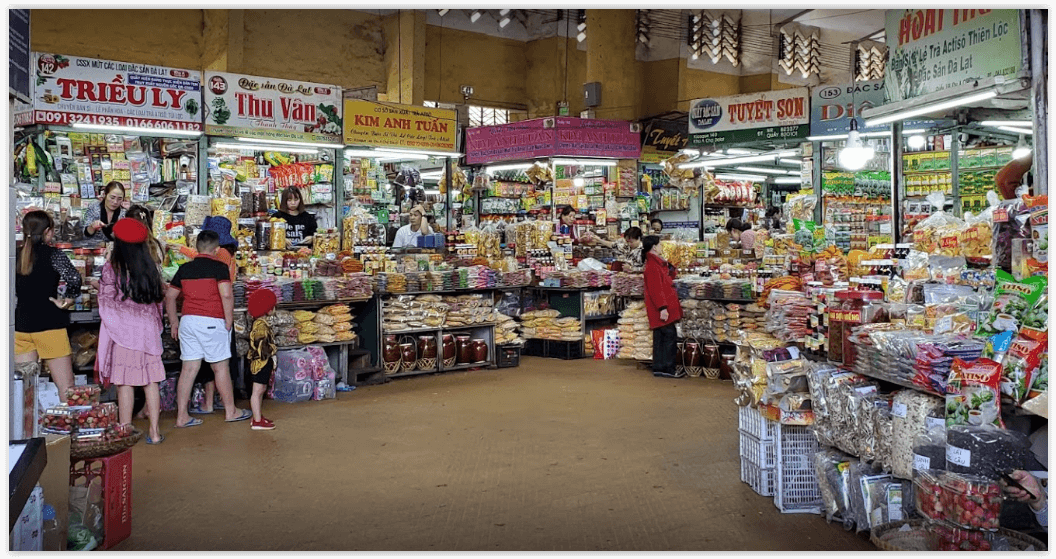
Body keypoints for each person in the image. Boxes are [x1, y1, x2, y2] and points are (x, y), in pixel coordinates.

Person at [165, 229, 252, 427]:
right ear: (216, 249)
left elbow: (170, 296)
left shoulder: (185, 268)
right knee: (220, 368)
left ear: (197, 247)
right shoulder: (219, 267)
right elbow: (226, 295)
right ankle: (231, 411)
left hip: (188, 322)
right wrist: (228, 319)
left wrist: (174, 322)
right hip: (212, 321)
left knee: (189, 369)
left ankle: (181, 416)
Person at [96, 218, 167, 445]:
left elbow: (106, 300)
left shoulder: (112, 267)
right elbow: (158, 300)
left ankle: (124, 430)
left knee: (125, 383)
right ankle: (154, 432)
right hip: (148, 331)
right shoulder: (151, 265)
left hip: (123, 332)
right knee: (151, 382)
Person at [15, 210, 82, 399]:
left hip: (21, 326)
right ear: (47, 232)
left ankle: (25, 420)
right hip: (50, 325)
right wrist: (67, 300)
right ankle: (66, 419)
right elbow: (74, 279)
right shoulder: (54, 254)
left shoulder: (16, 255)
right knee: (66, 387)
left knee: (24, 389)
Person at [642, 235, 683, 379]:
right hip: (662, 309)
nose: (661, 247)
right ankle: (668, 368)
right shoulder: (653, 267)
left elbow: (667, 278)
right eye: (660, 245)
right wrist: (662, 308)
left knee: (660, 338)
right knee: (669, 337)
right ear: (654, 247)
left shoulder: (656, 264)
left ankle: (659, 368)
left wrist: (669, 265)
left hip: (661, 307)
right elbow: (656, 290)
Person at [246, 289, 279, 431]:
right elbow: (262, 346)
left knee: (261, 389)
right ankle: (257, 421)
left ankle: (257, 416)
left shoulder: (260, 323)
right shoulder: (261, 325)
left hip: (262, 362)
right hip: (261, 363)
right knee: (258, 390)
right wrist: (272, 352)